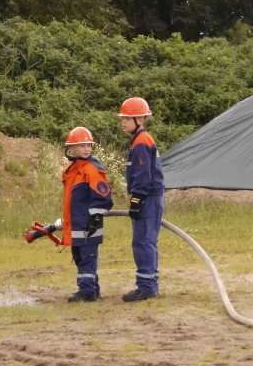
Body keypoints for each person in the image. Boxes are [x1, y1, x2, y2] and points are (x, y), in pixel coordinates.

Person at [47, 126, 113, 302]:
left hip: (88, 225)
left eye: (88, 145)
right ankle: (92, 288)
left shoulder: (91, 169)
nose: (86, 149)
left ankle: (87, 291)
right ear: (72, 149)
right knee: (79, 257)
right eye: (82, 145)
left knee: (86, 258)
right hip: (76, 224)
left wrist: (95, 218)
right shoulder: (72, 170)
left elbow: (104, 197)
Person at [119, 97, 165, 302]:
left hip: (147, 198)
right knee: (147, 241)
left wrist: (136, 199)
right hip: (150, 197)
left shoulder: (141, 142)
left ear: (139, 118)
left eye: (127, 118)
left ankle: (146, 287)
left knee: (143, 242)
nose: (123, 122)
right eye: (123, 118)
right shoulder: (141, 139)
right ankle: (150, 283)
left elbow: (143, 175)